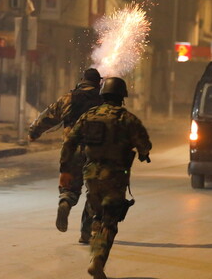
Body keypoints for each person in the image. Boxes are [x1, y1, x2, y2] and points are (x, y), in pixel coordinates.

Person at [60, 77, 152, 279]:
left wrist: (65, 169)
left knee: (97, 216)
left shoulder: (89, 116)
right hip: (115, 178)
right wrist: (144, 154)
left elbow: (69, 142)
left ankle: (95, 254)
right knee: (109, 221)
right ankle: (97, 260)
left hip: (91, 176)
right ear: (122, 96)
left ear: (103, 94)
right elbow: (144, 144)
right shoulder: (127, 118)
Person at [28, 67, 103, 243]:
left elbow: (48, 115)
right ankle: (86, 232)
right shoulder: (104, 101)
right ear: (98, 83)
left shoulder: (69, 98)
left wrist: (34, 132)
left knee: (70, 187)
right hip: (95, 152)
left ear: (82, 80)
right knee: (95, 192)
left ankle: (66, 202)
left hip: (71, 151)